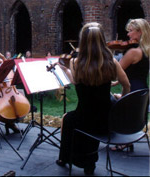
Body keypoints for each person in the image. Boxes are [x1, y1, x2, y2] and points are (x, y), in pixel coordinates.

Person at [56, 22, 130, 175]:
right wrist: (122, 98)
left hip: (85, 119)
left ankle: (65, 159)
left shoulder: (75, 63)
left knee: (68, 119)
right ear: (102, 39)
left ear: (83, 41)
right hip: (107, 121)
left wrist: (65, 70)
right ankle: (89, 163)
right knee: (83, 119)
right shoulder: (112, 62)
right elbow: (127, 84)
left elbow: (76, 83)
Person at [111, 18, 150, 151]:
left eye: (131, 31)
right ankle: (126, 138)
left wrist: (108, 55)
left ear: (140, 32)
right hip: (142, 91)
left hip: (131, 92)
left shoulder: (133, 52)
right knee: (116, 97)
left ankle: (120, 138)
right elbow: (135, 73)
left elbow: (115, 71)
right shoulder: (146, 51)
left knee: (106, 102)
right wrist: (117, 83)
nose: (128, 34)